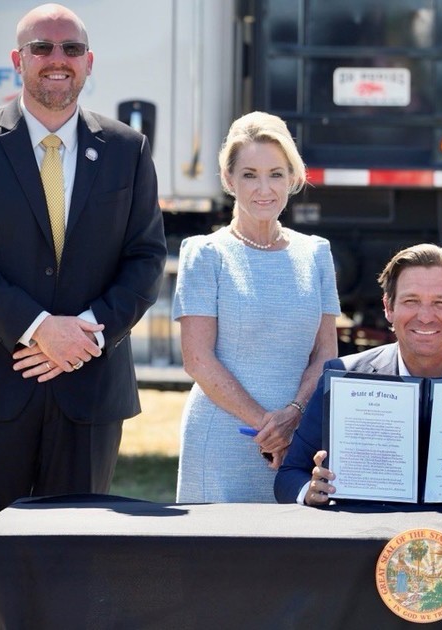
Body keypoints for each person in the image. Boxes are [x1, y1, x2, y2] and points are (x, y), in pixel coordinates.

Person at [0, 4, 166, 628]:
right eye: (42, 48)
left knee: (77, 565)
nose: (57, 60)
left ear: (88, 61)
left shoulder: (127, 148)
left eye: (70, 48)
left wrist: (85, 335)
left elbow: (145, 258)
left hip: (89, 387)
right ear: (18, 61)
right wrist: (38, 328)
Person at [274, 244, 442, 505]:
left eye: (441, 303)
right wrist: (311, 491)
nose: (425, 317)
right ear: (388, 307)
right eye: (411, 301)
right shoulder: (342, 379)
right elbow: (289, 476)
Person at [173, 112, 339, 502]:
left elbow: (325, 354)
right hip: (222, 442)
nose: (264, 189)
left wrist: (294, 417)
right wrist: (269, 428)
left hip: (297, 445)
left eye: (276, 174)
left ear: (293, 178)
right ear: (228, 179)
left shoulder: (316, 253)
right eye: (249, 175)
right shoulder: (205, 253)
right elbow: (197, 359)